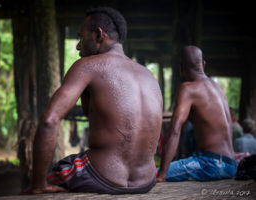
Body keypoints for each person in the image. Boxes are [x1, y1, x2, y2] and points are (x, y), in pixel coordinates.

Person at [30, 7, 163, 194]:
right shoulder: (148, 76)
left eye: (81, 37)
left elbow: (49, 121)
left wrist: (38, 185)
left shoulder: (87, 66)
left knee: (34, 186)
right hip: (146, 181)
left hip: (102, 176)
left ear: (99, 35)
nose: (78, 46)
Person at [156, 46, 237, 182]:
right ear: (203, 64)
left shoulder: (188, 89)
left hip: (212, 164)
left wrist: (162, 174)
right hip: (231, 164)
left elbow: (175, 129)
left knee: (148, 175)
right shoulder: (218, 89)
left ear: (181, 67)